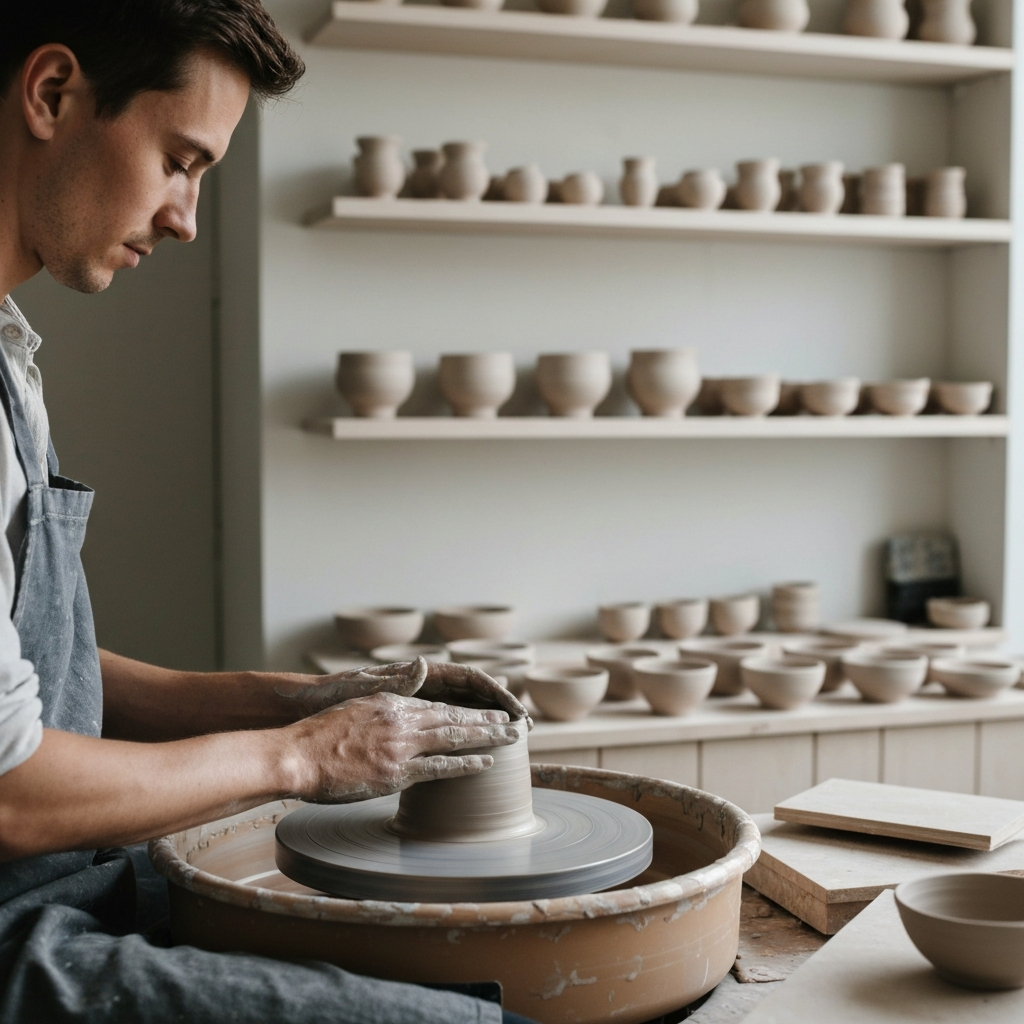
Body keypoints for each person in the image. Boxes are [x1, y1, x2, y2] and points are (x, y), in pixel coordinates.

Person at [0, 3, 536, 1021]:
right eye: (180, 160)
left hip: (63, 881)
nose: (185, 218)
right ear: (53, 92)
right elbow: (12, 788)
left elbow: (36, 681)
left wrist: (303, 698)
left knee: (458, 963)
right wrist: (304, 756)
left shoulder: (11, 358)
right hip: (12, 927)